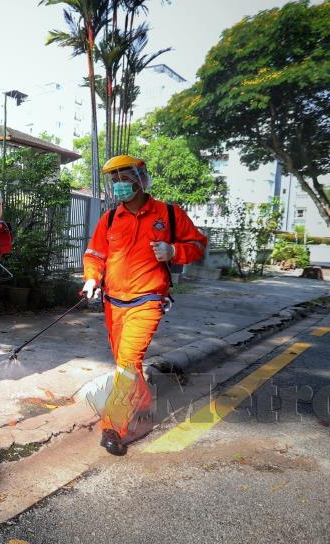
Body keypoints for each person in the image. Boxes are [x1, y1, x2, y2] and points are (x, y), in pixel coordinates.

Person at [82, 155, 208, 456]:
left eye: (125, 179)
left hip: (148, 300)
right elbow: (95, 254)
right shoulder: (110, 219)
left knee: (126, 363)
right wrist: (91, 278)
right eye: (115, 181)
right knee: (126, 364)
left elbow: (199, 246)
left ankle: (113, 427)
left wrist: (174, 250)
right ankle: (144, 406)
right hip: (113, 302)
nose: (119, 186)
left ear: (140, 179)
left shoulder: (169, 214)